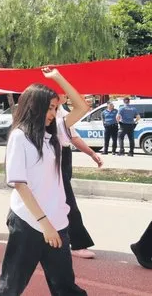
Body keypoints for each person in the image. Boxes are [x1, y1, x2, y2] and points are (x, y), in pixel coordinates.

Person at [0, 68, 89, 296]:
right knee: (11, 287)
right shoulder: (20, 136)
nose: (53, 113)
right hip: (29, 223)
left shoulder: (54, 132)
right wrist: (44, 224)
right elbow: (20, 185)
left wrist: (57, 78)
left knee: (65, 286)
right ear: (33, 106)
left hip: (57, 222)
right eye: (49, 108)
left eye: (55, 108)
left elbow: (82, 107)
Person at [56, 94, 103, 259]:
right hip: (54, 157)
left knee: (60, 200)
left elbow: (73, 136)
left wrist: (91, 153)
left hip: (64, 155)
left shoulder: (61, 110)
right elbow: (82, 106)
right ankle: (77, 242)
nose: (65, 95)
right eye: (62, 92)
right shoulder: (47, 112)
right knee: (68, 202)